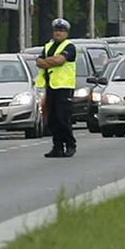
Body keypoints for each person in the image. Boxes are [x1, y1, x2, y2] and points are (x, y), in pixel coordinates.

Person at [36, 18, 77, 158]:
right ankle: (57, 146)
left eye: (61, 31)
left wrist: (47, 62)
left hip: (64, 87)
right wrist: (50, 62)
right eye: (56, 30)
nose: (58, 33)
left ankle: (70, 144)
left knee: (62, 118)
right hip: (50, 87)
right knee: (52, 119)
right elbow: (39, 62)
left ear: (66, 33)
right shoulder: (48, 46)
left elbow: (59, 61)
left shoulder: (69, 46)